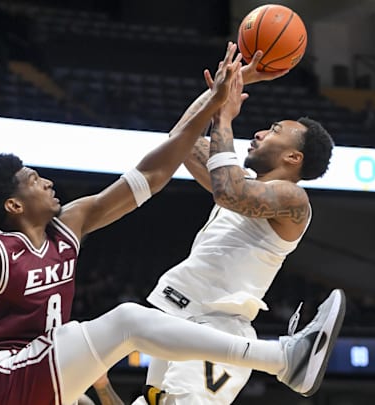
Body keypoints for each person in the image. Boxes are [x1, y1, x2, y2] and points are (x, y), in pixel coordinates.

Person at [0, 42, 343, 405]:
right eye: (32, 179)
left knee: (118, 337)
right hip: (9, 370)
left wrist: (219, 103)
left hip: (45, 369)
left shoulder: (73, 223)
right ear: (13, 206)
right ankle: (284, 358)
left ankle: (284, 358)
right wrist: (219, 111)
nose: (46, 181)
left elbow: (158, 167)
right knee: (125, 323)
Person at [131, 44, 342, 405]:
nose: (259, 133)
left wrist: (224, 118)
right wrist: (224, 91)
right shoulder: (240, 180)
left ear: (294, 157)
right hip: (182, 316)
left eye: (274, 130)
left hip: (218, 328)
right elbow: (178, 140)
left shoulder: (293, 200)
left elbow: (229, 192)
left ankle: (287, 357)